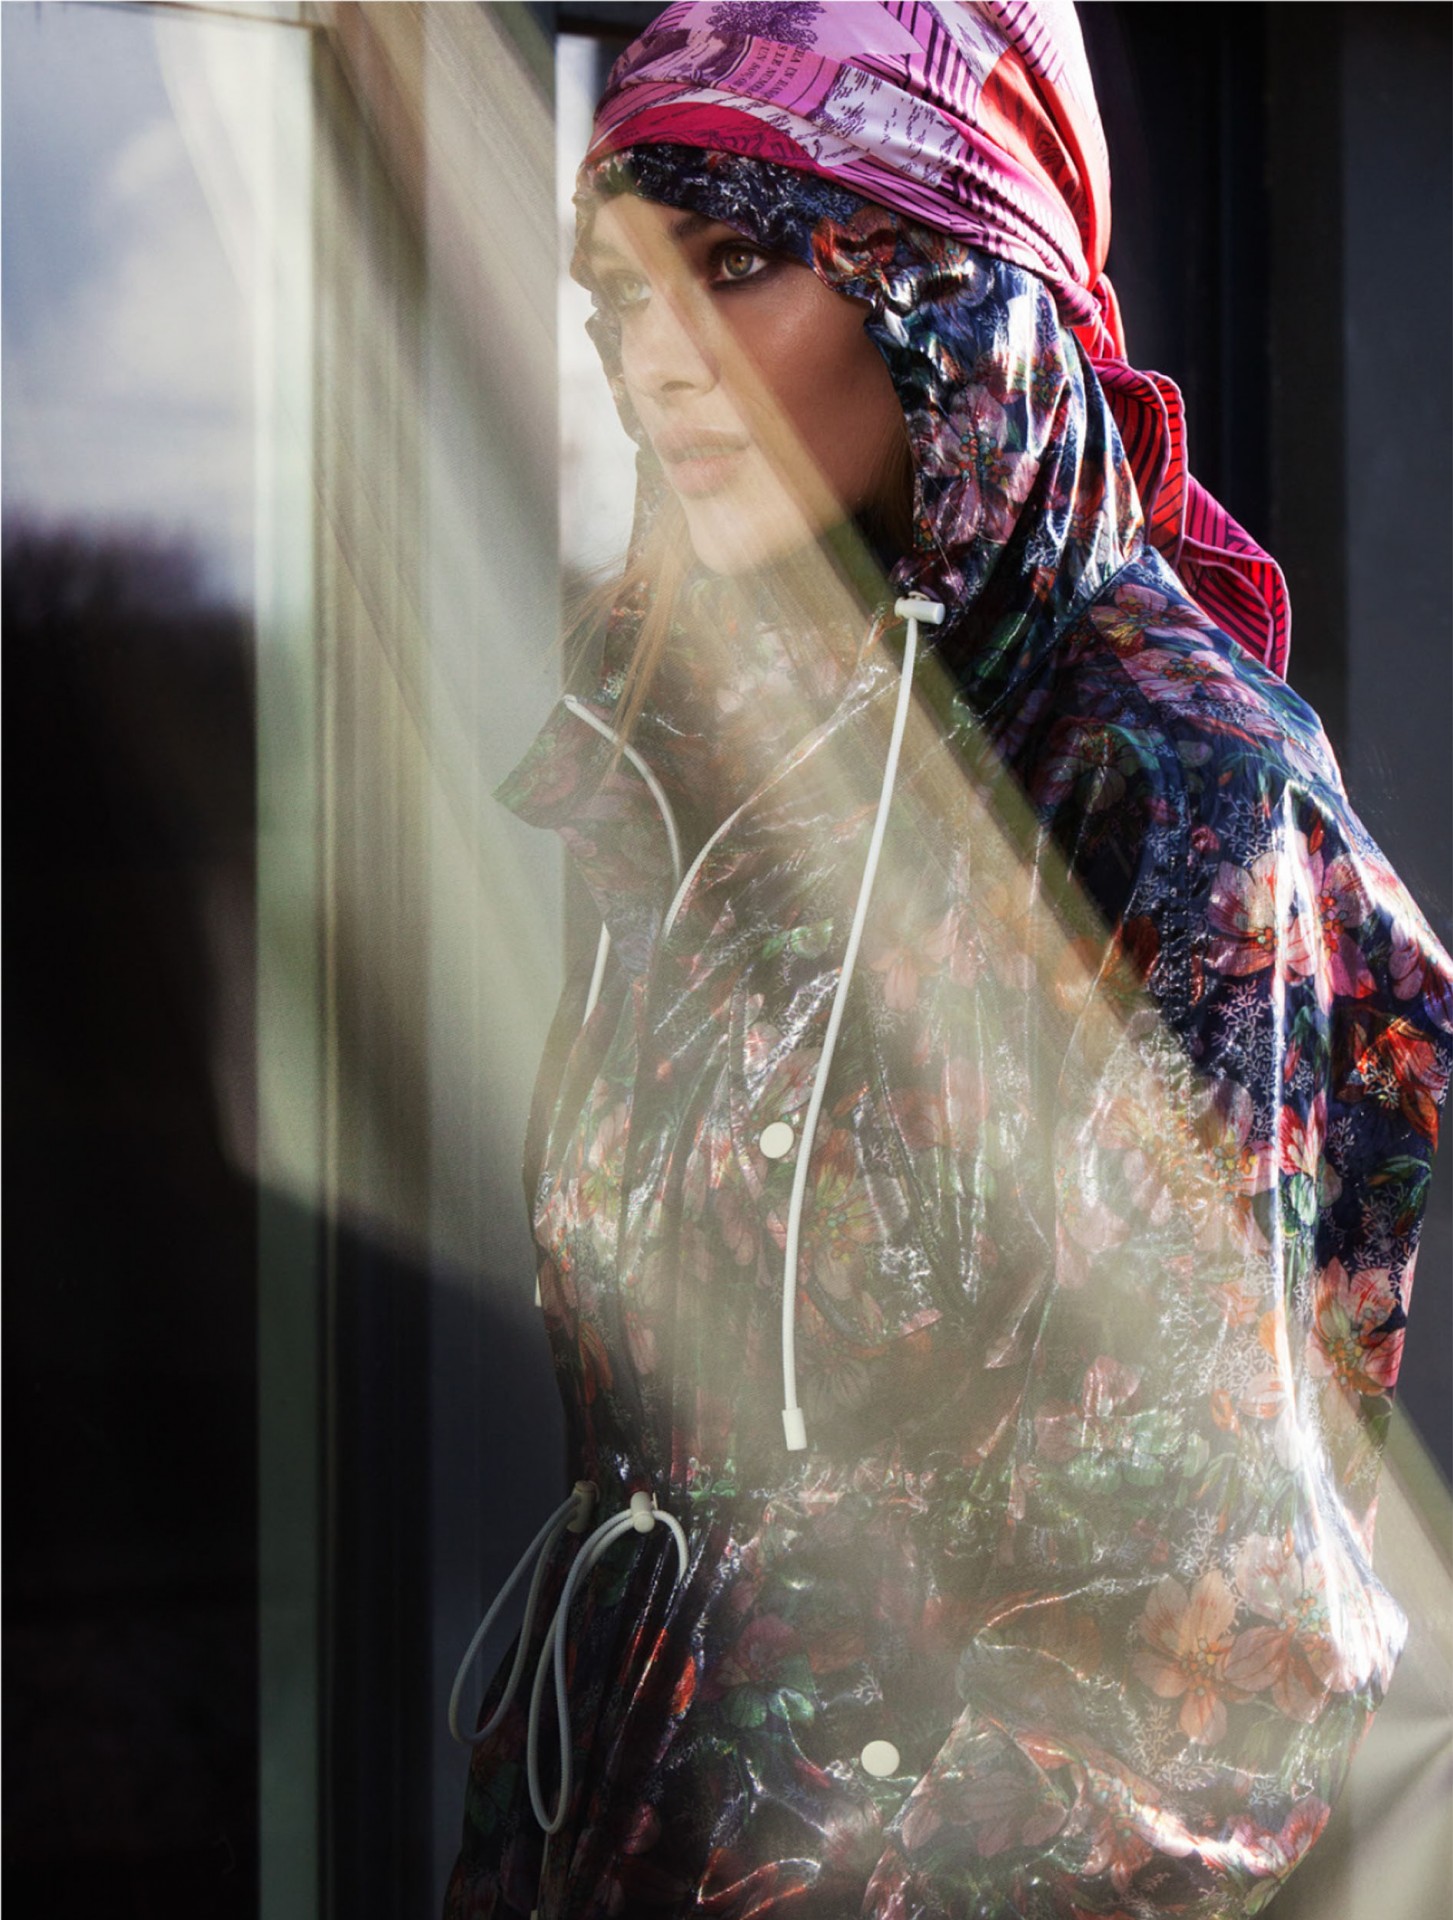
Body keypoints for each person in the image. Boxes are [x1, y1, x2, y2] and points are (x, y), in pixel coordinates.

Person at [446, 6, 1452, 1916]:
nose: (652, 363)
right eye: (619, 296)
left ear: (948, 292)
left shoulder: (1168, 786)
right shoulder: (710, 761)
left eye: (733, 265)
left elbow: (1206, 1657)